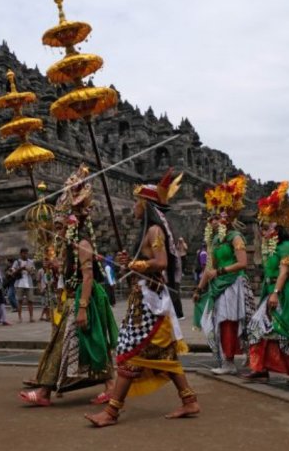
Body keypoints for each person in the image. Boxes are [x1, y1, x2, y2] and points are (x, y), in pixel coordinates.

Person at [85, 167, 199, 427]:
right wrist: (131, 262)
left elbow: (160, 262)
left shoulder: (154, 232)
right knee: (165, 356)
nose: (133, 207)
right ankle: (189, 399)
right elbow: (148, 262)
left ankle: (112, 411)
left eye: (137, 202)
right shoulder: (149, 233)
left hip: (150, 304)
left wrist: (137, 265)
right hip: (146, 299)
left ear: (146, 205)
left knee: (129, 352)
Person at [19, 164, 117, 407]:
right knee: (90, 343)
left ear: (72, 224)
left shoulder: (82, 244)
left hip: (85, 300)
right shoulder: (71, 246)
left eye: (61, 226)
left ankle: (44, 393)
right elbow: (71, 270)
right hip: (76, 299)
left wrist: (82, 307)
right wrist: (55, 264)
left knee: (77, 342)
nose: (58, 231)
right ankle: (110, 386)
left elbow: (88, 278)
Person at [242, 181, 289, 385]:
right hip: (271, 289)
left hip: (285, 292)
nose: (262, 230)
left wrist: (276, 293)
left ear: (277, 226)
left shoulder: (287, 245)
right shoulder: (267, 246)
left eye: (266, 226)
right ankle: (260, 368)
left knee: (287, 332)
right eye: (261, 226)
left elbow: (285, 270)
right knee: (256, 327)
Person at [193, 175, 255, 376]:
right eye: (212, 216)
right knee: (218, 322)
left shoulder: (235, 237)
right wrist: (199, 288)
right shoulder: (216, 242)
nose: (213, 220)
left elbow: (243, 263)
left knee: (229, 321)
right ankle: (225, 358)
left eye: (218, 216)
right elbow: (208, 268)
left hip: (233, 284)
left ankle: (230, 360)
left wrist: (220, 272)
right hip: (219, 286)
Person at [13, 247, 36, 322]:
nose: (25, 255)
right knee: (20, 301)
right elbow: (13, 271)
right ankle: (20, 317)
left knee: (30, 301)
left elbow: (33, 272)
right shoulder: (17, 262)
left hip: (28, 283)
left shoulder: (30, 261)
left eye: (26, 253)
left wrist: (30, 271)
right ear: (21, 253)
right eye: (24, 253)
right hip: (19, 283)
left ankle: (31, 317)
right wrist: (21, 268)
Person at [170, 237, 187, 319]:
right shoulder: (173, 252)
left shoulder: (175, 253)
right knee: (174, 296)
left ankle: (179, 314)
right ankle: (176, 313)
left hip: (175, 278)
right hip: (172, 278)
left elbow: (176, 266)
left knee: (175, 296)